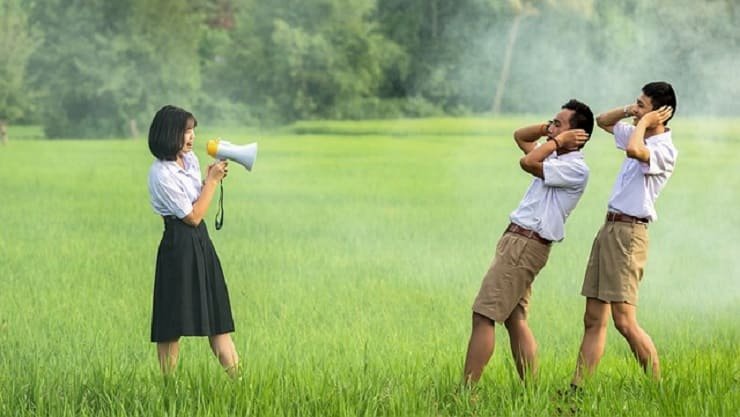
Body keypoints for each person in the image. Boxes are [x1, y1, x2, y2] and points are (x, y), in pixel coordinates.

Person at [463, 99, 594, 384]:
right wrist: (551, 130)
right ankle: (531, 391)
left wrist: (556, 141)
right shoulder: (555, 156)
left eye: (559, 124)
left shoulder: (575, 168)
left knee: (483, 315)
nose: (551, 129)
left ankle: (465, 393)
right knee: (514, 318)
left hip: (525, 244)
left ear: (577, 135)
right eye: (552, 123)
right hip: (519, 242)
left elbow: (528, 161)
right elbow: (520, 136)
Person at [570, 81, 677, 387]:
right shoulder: (637, 131)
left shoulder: (664, 149)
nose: (635, 109)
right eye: (636, 103)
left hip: (630, 233)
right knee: (593, 318)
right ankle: (577, 389)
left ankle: (658, 388)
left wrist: (644, 121)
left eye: (642, 105)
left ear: (659, 115)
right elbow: (603, 121)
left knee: (624, 321)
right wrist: (633, 111)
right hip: (610, 228)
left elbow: (634, 150)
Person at [147, 105, 240, 377]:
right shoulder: (161, 174)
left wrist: (208, 180)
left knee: (218, 319)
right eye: (186, 131)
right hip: (178, 246)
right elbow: (193, 216)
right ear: (168, 134)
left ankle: (241, 383)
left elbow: (197, 202)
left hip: (201, 244)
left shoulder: (190, 162)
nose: (192, 137)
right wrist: (211, 183)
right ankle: (169, 389)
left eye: (192, 131)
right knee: (170, 323)